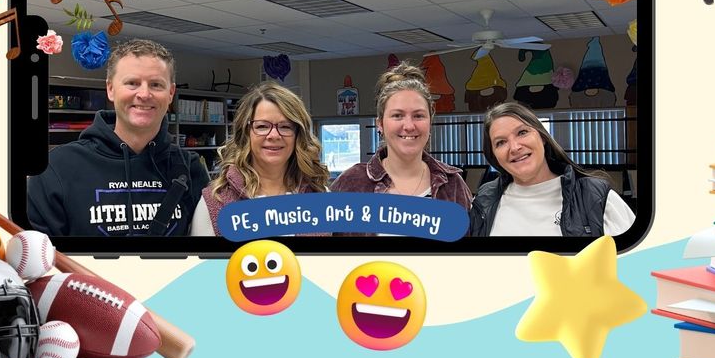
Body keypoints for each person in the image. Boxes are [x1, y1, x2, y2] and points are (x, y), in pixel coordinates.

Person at [28, 39, 208, 237]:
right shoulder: (57, 168)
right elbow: (39, 260)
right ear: (110, 89)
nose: (144, 94)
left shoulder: (190, 168)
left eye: (156, 85)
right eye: (132, 83)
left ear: (171, 93)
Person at [470, 102, 635, 237]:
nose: (514, 147)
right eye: (500, 142)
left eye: (522, 132)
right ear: (494, 155)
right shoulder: (484, 200)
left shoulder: (595, 197)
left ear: (542, 137)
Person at [191, 82, 330, 236]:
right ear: (246, 133)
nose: (274, 135)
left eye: (285, 127)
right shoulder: (216, 202)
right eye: (262, 126)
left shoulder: (321, 198)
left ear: (298, 135)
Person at [331, 62, 472, 209]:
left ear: (430, 121)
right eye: (397, 115)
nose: (409, 126)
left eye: (418, 116)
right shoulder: (352, 183)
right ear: (380, 124)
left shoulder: (452, 185)